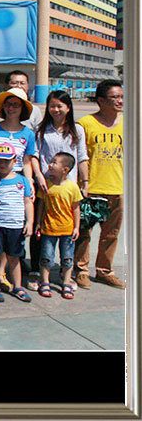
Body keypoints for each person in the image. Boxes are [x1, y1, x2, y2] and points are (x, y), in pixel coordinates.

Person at [30, 90, 88, 290]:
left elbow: (82, 156)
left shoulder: (77, 130)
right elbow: (34, 155)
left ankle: (66, 275)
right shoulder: (41, 129)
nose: (55, 110)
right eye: (52, 106)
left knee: (68, 230)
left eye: (59, 106)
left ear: (68, 108)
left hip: (68, 188)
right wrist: (38, 176)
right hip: (46, 186)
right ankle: (39, 272)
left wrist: (85, 182)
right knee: (43, 229)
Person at [0, 87, 37, 292]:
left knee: (11, 229)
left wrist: (29, 183)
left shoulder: (28, 133)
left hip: (15, 185)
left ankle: (4, 275)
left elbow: (28, 161)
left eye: (16, 104)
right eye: (8, 103)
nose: (11, 108)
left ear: (22, 108)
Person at [74, 79, 124, 289]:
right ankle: (81, 270)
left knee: (111, 235)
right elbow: (79, 156)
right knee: (85, 233)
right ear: (101, 101)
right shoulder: (85, 124)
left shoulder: (128, 123)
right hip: (92, 188)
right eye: (115, 97)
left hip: (119, 188)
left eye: (121, 96)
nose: (120, 101)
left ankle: (104, 271)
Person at [0, 143, 34, 303]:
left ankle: (18, 286)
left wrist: (30, 222)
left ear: (14, 161)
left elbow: (27, 202)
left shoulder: (23, 181)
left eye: (6, 161)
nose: (2, 164)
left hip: (16, 226)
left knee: (14, 258)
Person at [34, 152, 83, 299]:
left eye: (55, 162)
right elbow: (41, 205)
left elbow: (76, 208)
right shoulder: (46, 185)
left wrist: (76, 227)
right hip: (49, 229)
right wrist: (38, 223)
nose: (50, 165)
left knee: (67, 258)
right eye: (51, 161)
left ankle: (66, 282)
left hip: (67, 230)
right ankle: (45, 281)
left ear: (65, 169)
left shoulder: (72, 187)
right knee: (46, 257)